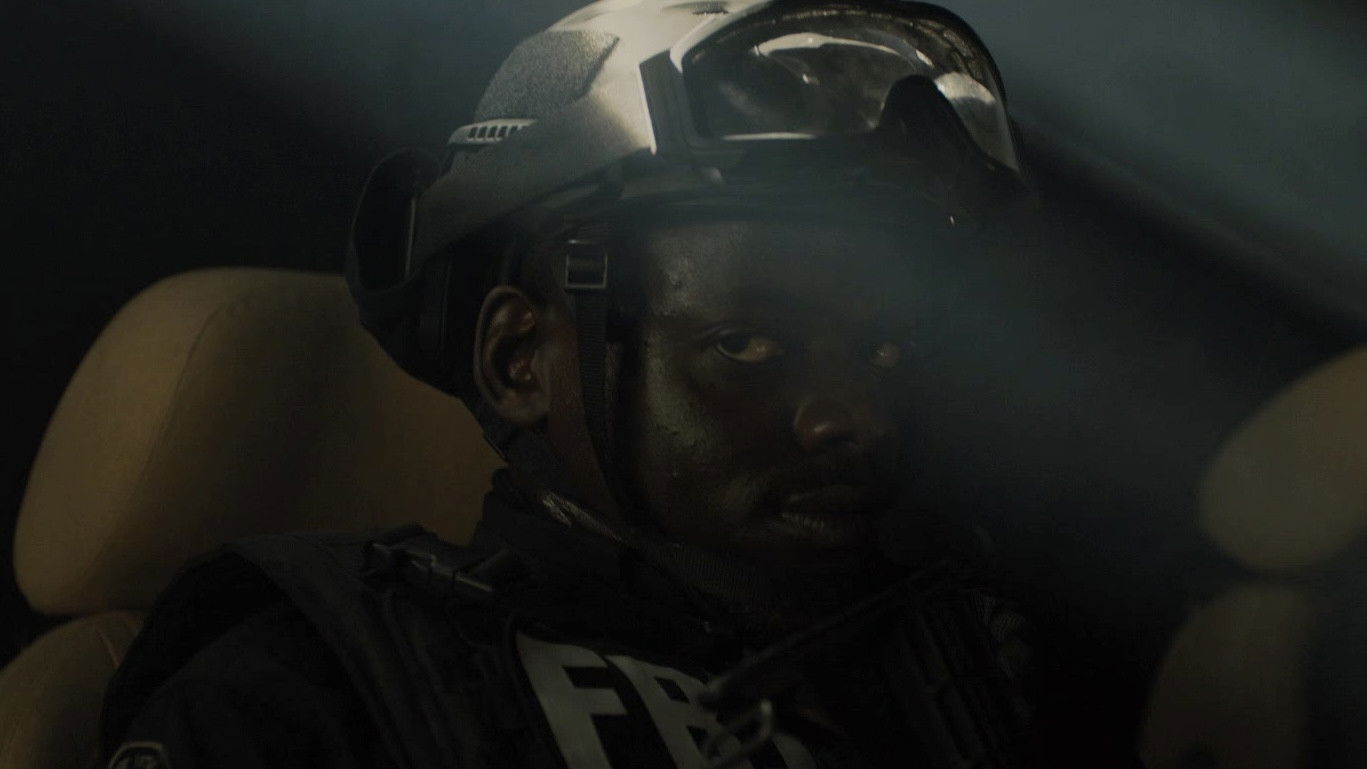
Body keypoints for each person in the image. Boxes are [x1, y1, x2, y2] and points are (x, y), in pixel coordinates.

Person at [101, 0, 1047, 766]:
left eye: (890, 348)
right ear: (520, 360)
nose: (862, 418)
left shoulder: (982, 665)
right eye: (748, 342)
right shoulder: (315, 691)